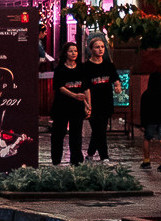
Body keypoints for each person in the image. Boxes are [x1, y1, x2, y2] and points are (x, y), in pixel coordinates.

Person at [49, 38, 87, 167]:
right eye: (71, 51)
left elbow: (86, 88)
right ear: (65, 53)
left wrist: (88, 105)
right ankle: (56, 160)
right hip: (62, 105)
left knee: (76, 135)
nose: (74, 53)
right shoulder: (60, 69)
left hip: (77, 107)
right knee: (58, 134)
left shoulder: (81, 68)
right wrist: (74, 95)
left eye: (75, 51)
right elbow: (59, 87)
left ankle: (76, 160)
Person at [82, 27, 117, 162]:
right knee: (99, 130)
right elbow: (84, 86)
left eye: (102, 47)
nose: (101, 49)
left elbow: (115, 78)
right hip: (93, 103)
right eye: (97, 47)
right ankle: (104, 157)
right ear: (91, 49)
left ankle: (90, 155)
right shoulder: (86, 67)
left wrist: (118, 85)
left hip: (106, 102)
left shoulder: (108, 65)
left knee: (100, 130)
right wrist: (87, 104)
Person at [139, 63, 161, 172]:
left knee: (147, 139)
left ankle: (146, 160)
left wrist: (142, 123)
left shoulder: (146, 94)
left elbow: (143, 109)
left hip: (150, 120)